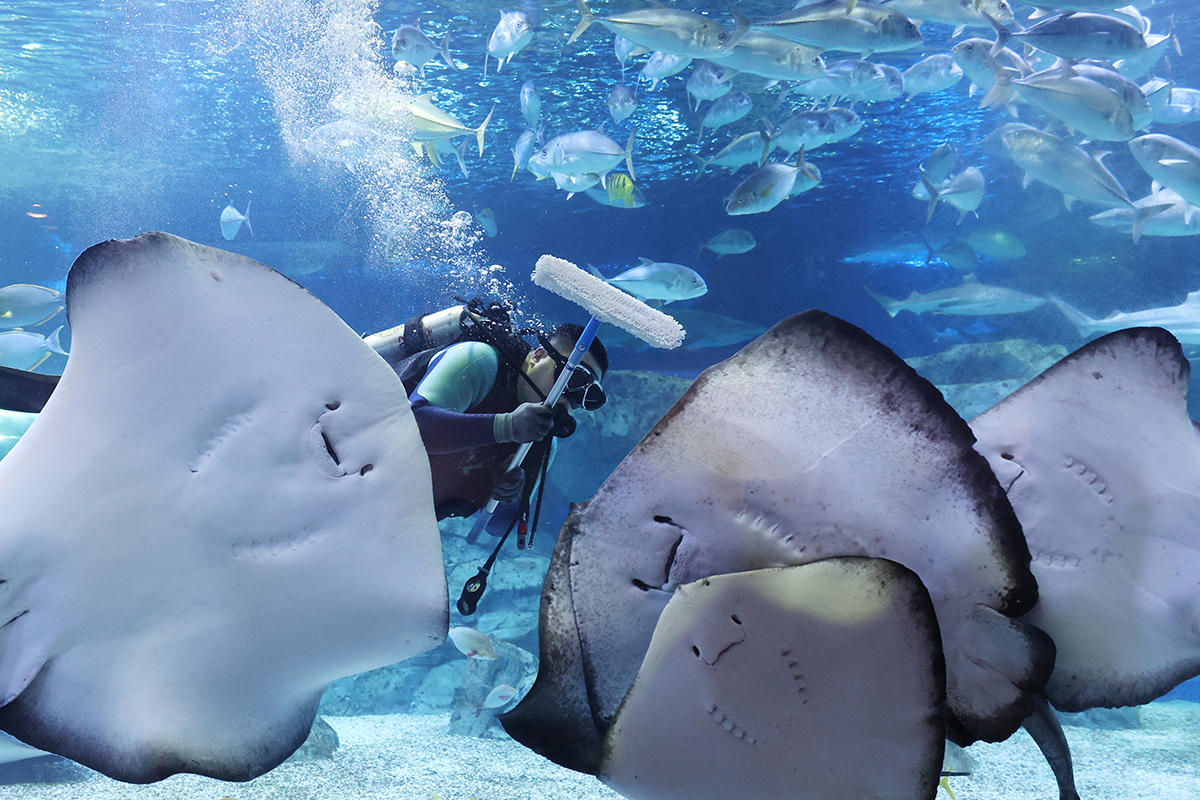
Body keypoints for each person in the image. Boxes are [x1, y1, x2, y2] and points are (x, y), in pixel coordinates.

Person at [405, 321, 608, 525]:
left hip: (406, 519)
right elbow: (412, 428)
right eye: (573, 378)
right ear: (538, 355)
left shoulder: (541, 443)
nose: (570, 399)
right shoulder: (480, 360)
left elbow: (498, 526)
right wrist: (506, 427)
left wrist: (507, 496)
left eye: (587, 396)